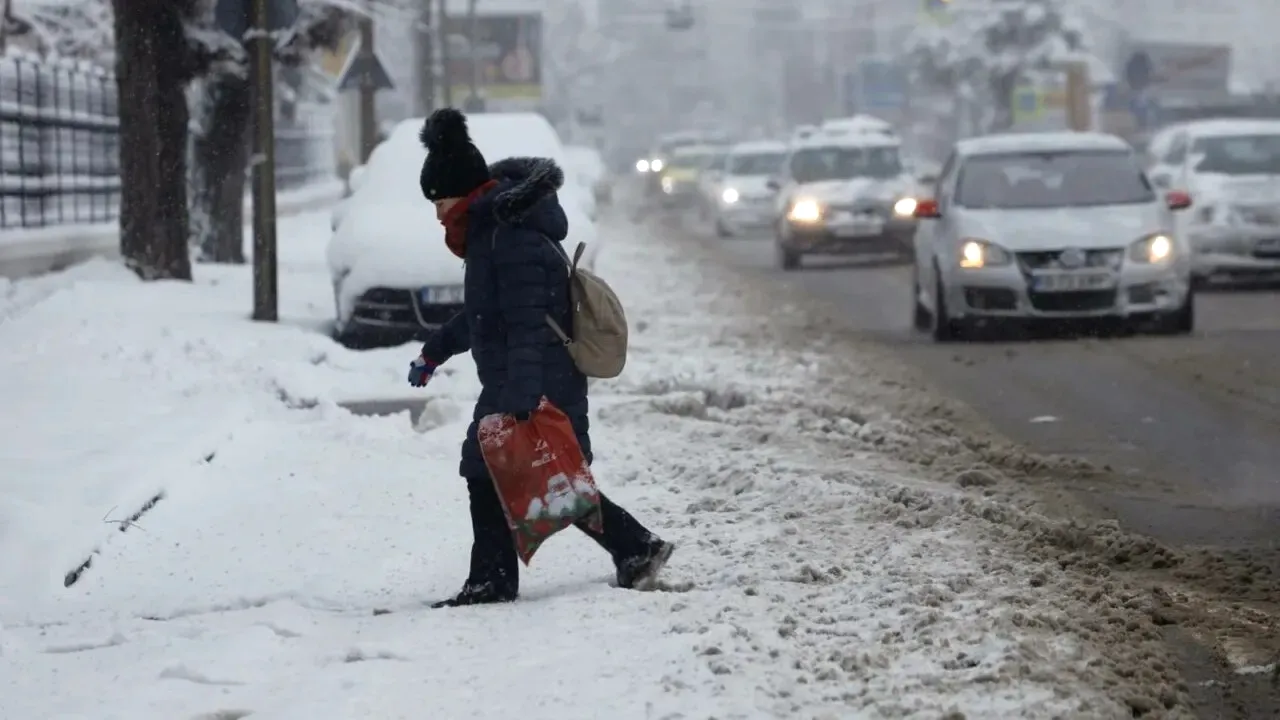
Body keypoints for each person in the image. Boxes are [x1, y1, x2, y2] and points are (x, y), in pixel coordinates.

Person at [407, 108, 675, 608]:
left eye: (440, 200)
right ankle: (635, 549)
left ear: (462, 193)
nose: (438, 212)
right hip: (528, 379)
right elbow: (485, 316)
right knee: (544, 480)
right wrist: (434, 352)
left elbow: (528, 324)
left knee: (503, 471)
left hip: (535, 381)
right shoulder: (492, 234)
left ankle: (494, 581)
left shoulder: (507, 239)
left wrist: (523, 399)